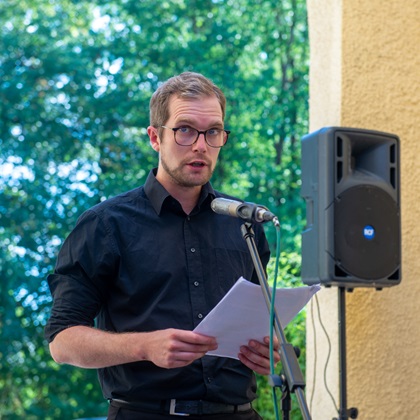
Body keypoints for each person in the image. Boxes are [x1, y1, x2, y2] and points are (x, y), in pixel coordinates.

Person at [45, 71, 280, 420]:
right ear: (155, 138)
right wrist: (144, 346)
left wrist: (269, 350)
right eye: (185, 129)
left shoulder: (244, 223)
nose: (201, 145)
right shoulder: (105, 225)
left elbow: (261, 325)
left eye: (213, 131)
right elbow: (62, 342)